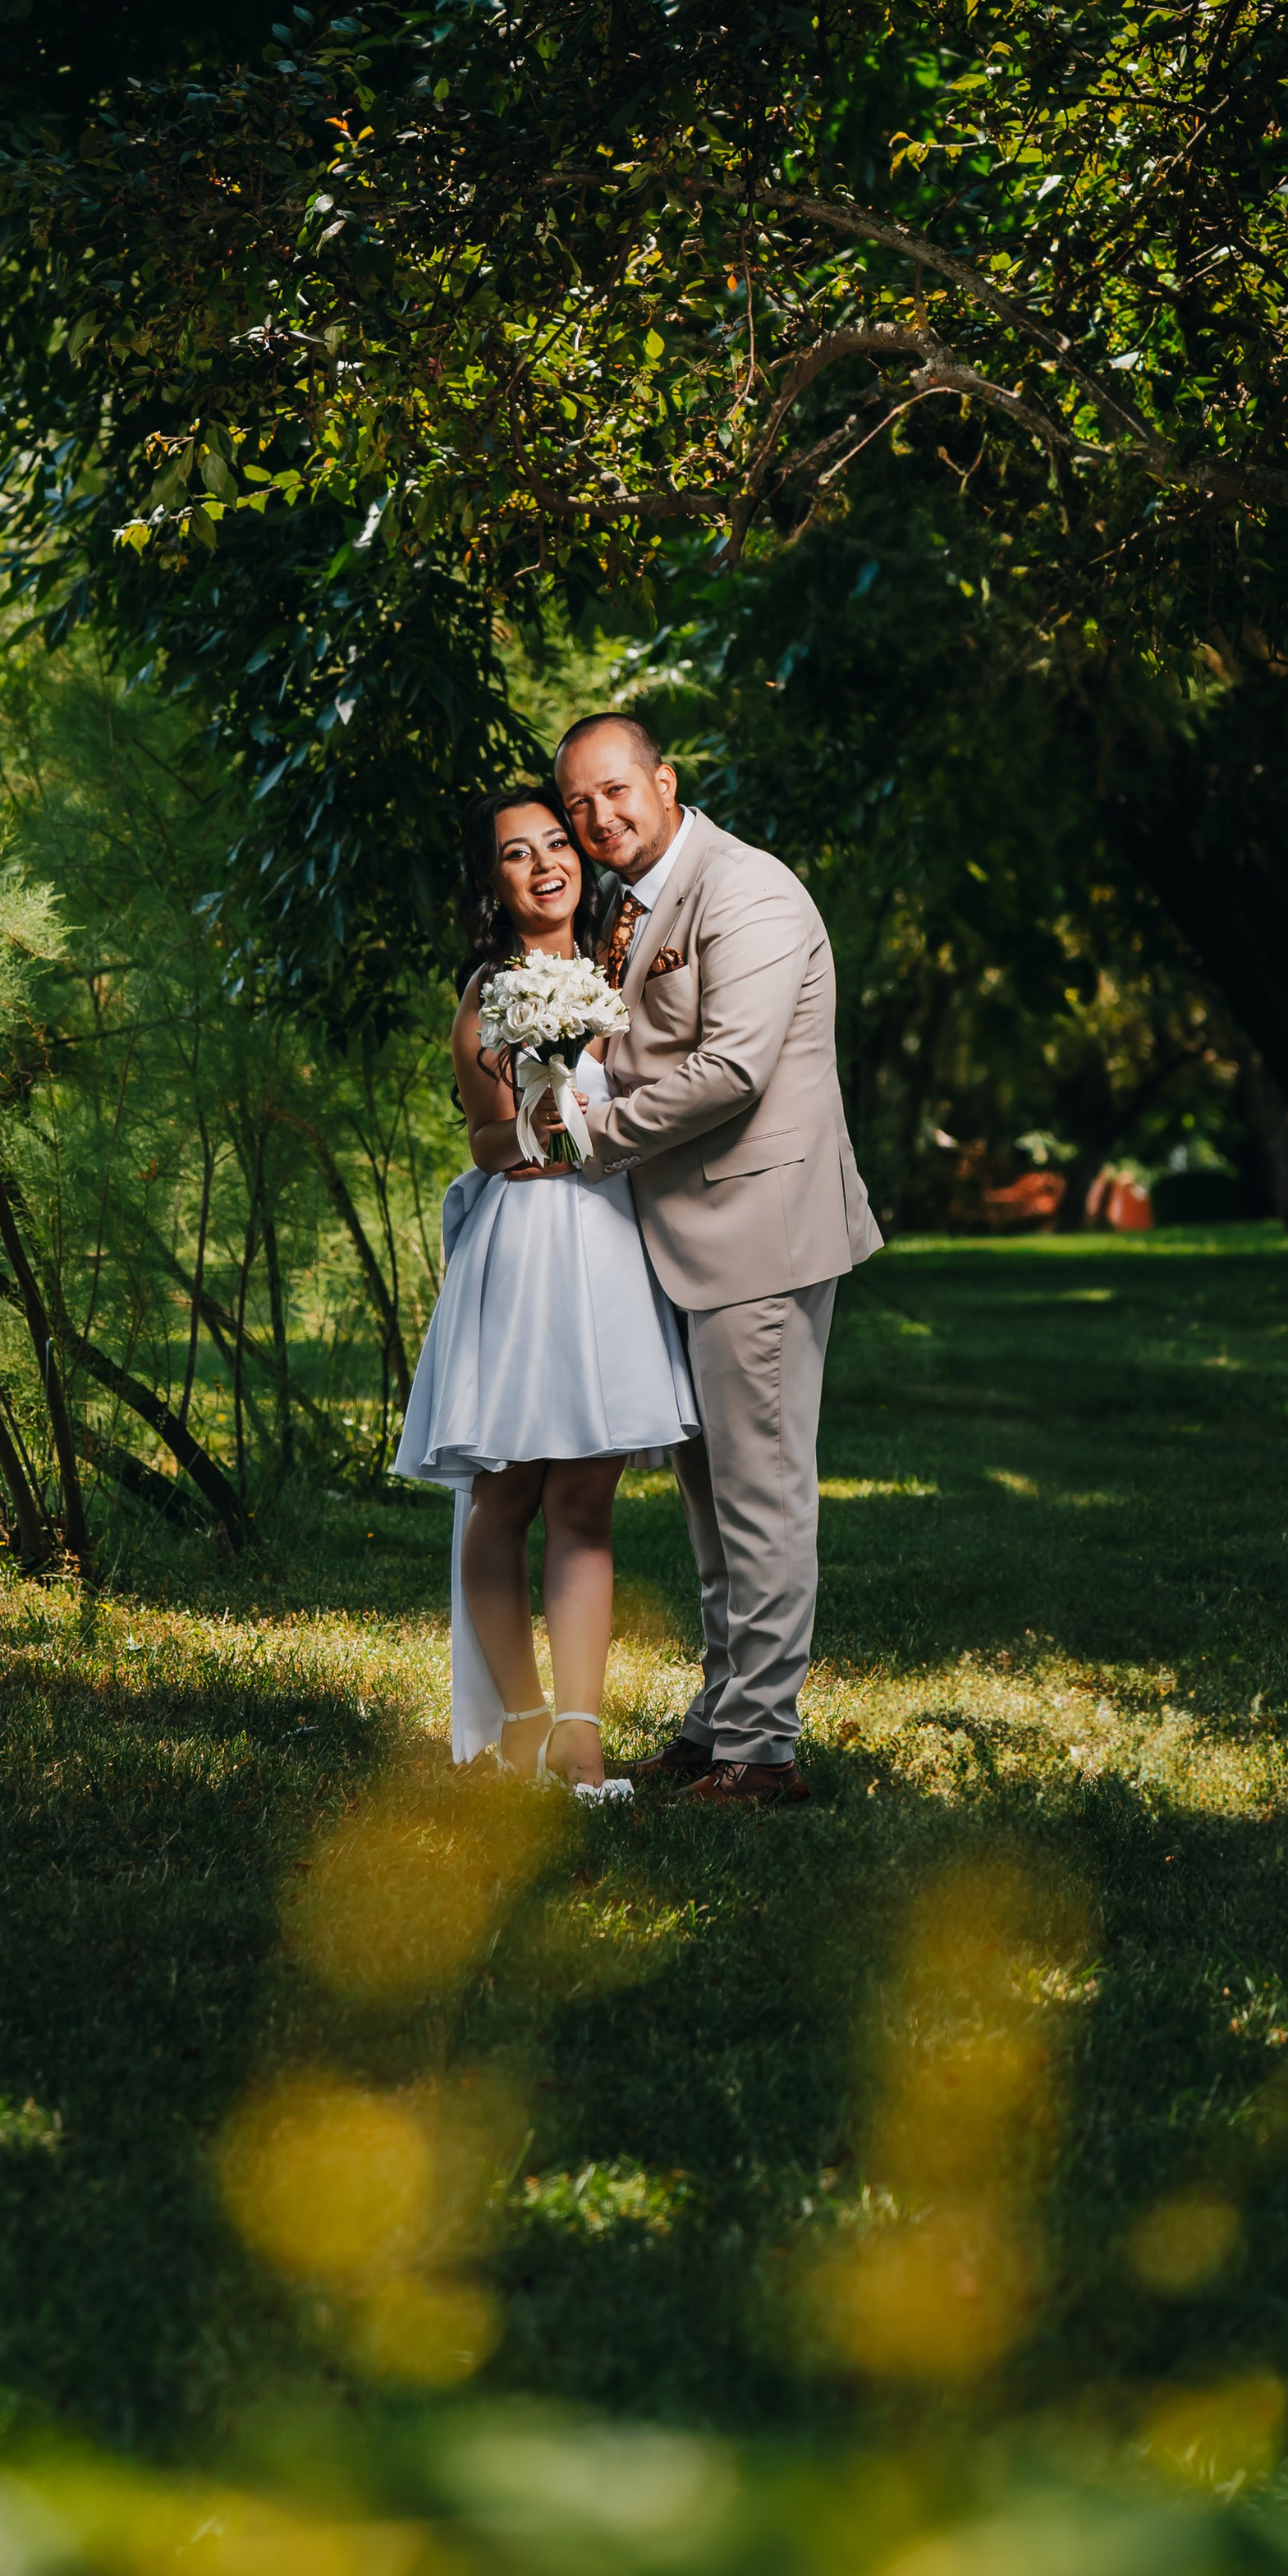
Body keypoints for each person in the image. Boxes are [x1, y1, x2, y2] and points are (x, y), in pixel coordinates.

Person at [554, 713, 883, 1806]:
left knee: (761, 1494)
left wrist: (595, 1133)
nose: (599, 818)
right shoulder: (632, 904)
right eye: (579, 806)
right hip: (688, 1240)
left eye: (614, 791)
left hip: (760, 1235)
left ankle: (765, 1751)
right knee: (710, 1503)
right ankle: (719, 1719)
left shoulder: (747, 890)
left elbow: (733, 1068)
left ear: (664, 779)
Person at [392, 785, 699, 1798]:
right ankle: (519, 1716)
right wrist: (537, 1133)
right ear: (493, 883)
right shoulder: (492, 990)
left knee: (586, 1497)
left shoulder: (625, 963)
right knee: (508, 1491)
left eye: (555, 843)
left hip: (610, 1250)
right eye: (515, 854)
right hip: (526, 1251)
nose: (544, 863)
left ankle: (580, 1734)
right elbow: (482, 1135)